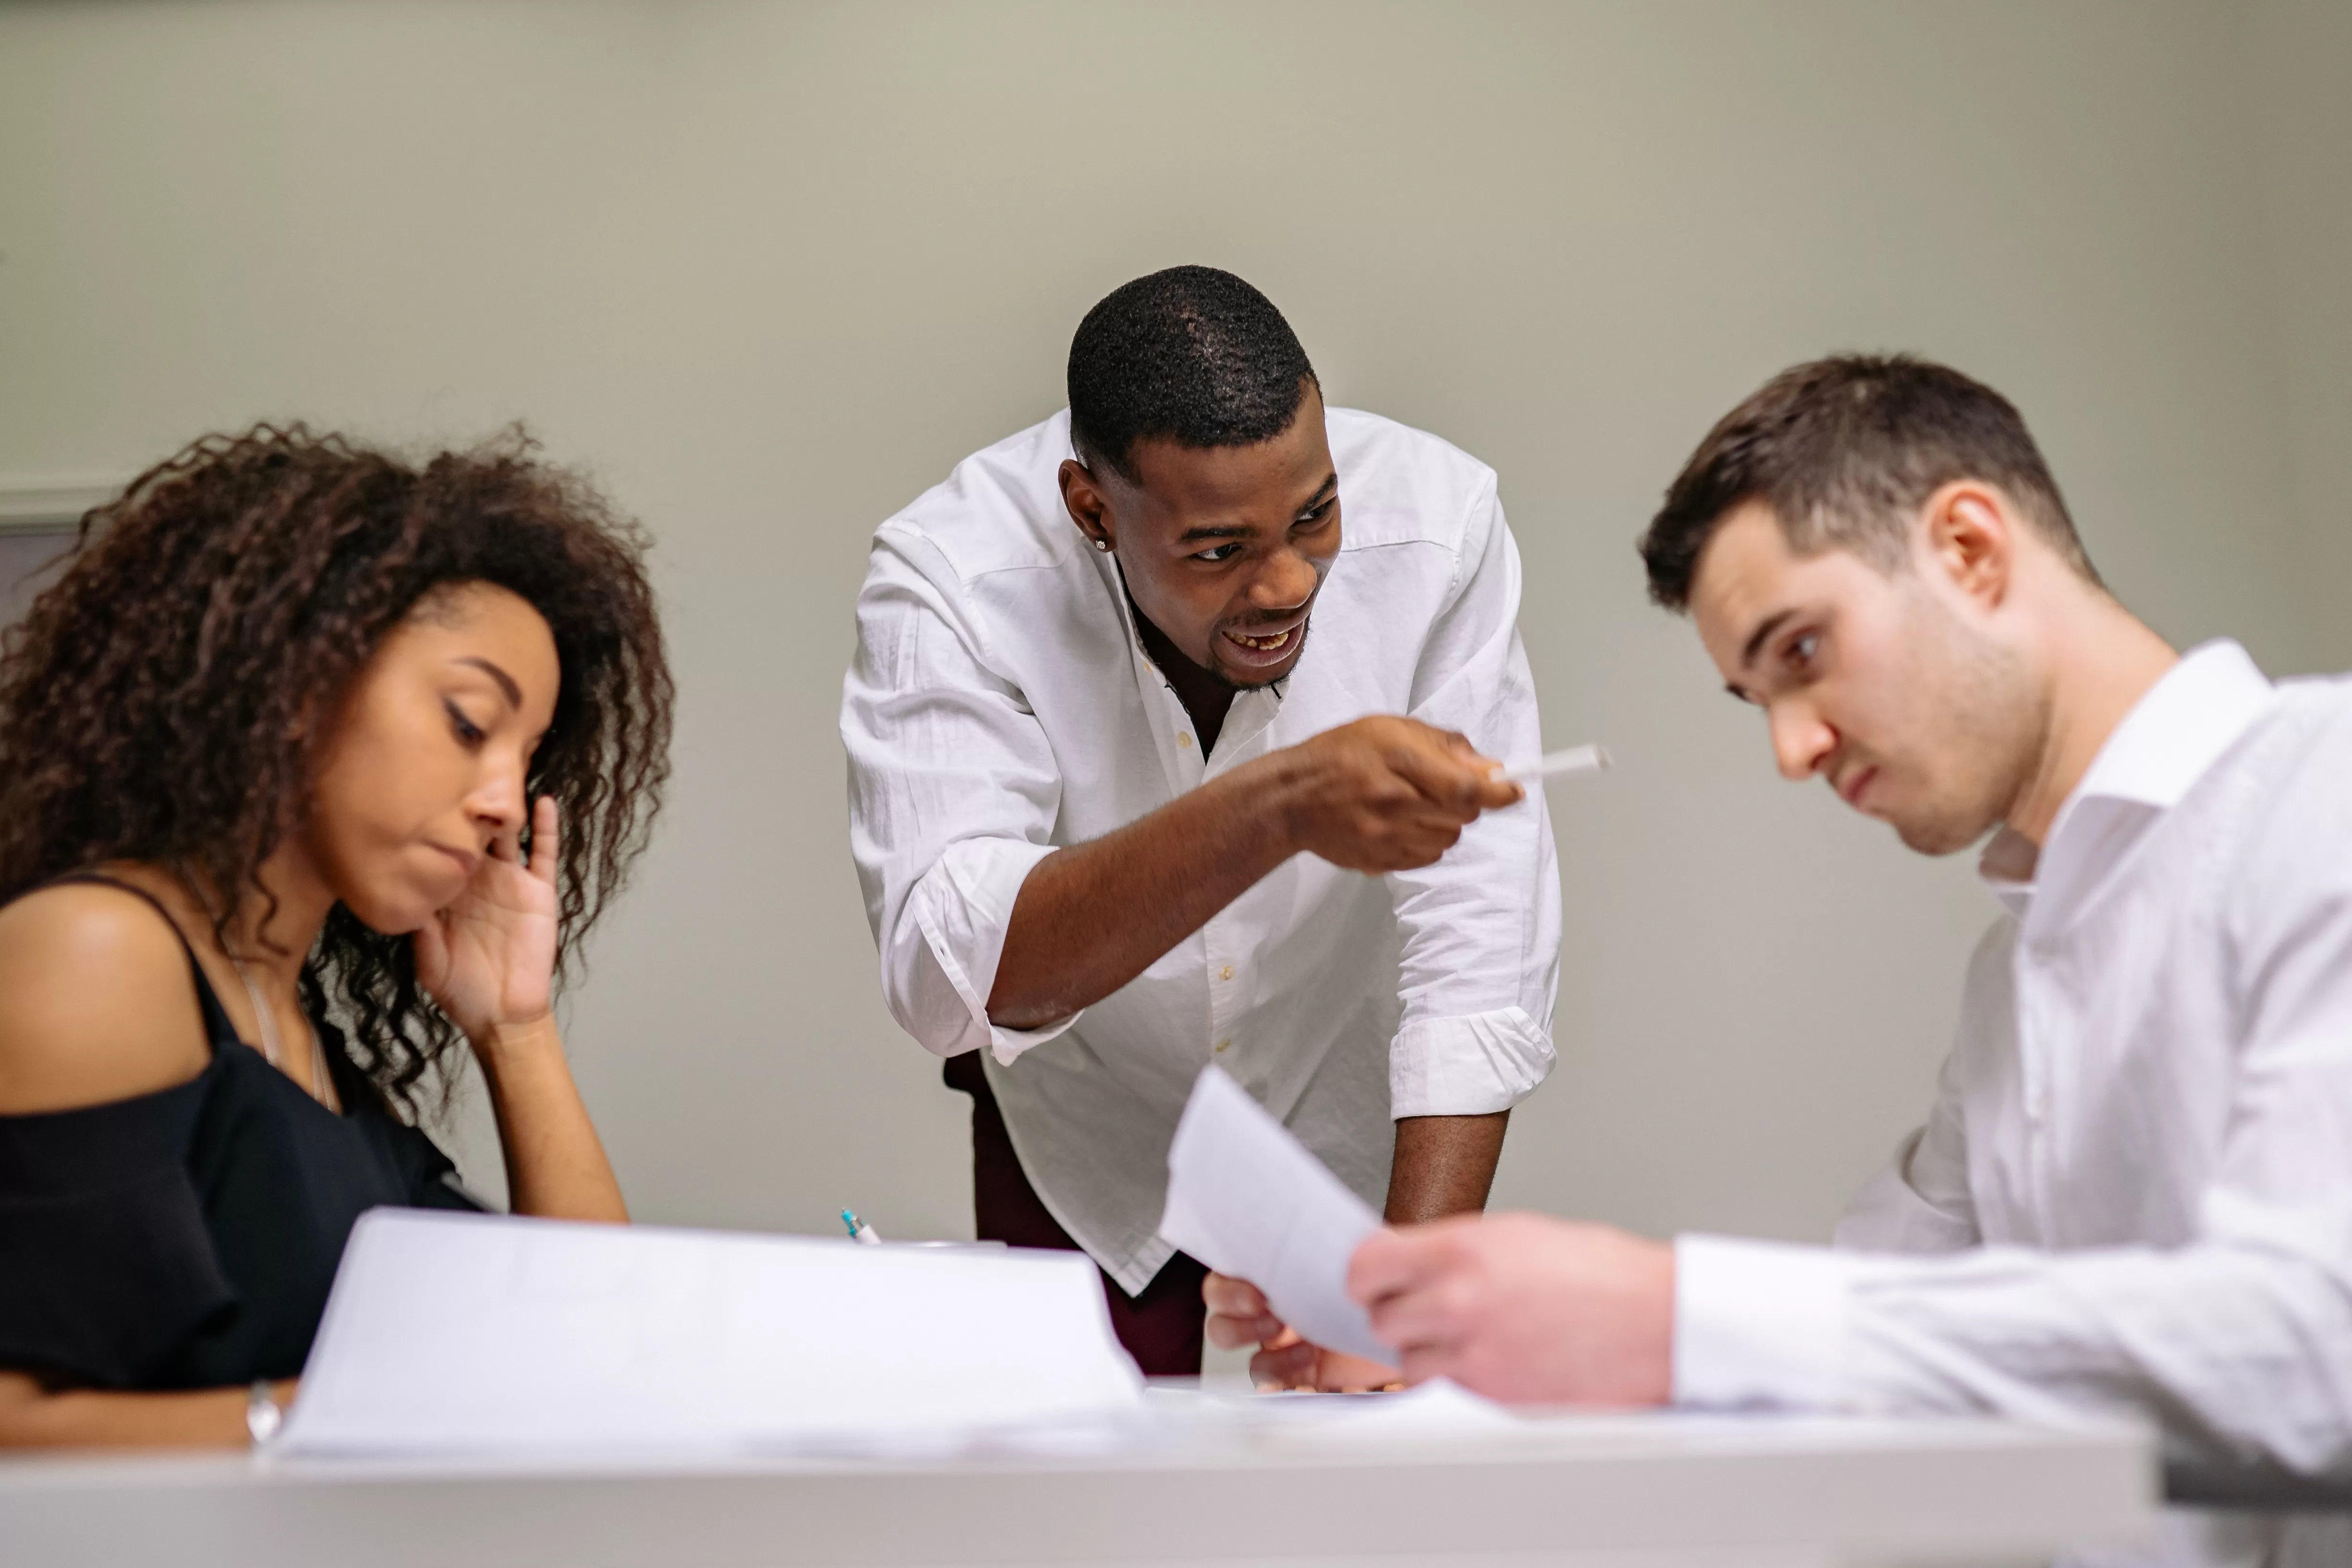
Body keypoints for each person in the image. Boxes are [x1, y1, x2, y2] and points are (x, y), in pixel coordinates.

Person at [1334, 355, 2352, 1565]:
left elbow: (2315, 1352)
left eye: (1803, 651)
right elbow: (1884, 1330)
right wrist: (1468, 1324)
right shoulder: (2013, 980)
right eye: (1754, 695)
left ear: (1970, 549)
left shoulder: (2324, 796)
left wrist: (1669, 1319)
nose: (1792, 748)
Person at [841, 266, 1560, 1382]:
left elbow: (1481, 939)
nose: (1286, 584)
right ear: (1093, 508)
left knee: (1360, 1493)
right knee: (1088, 1505)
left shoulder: (1437, 527)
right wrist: (1281, 803)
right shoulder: (956, 578)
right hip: (1085, 1121)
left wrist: (1405, 1302)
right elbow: (947, 983)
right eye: (1220, 550)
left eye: (1314, 515)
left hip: (1343, 1077)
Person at [0, 425, 673, 1447]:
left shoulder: (298, 1034)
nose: (504, 799)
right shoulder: (101, 951)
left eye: (526, 755)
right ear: (296, 682)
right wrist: (332, 1423)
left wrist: (516, 1026)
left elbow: (592, 1337)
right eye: (466, 721)